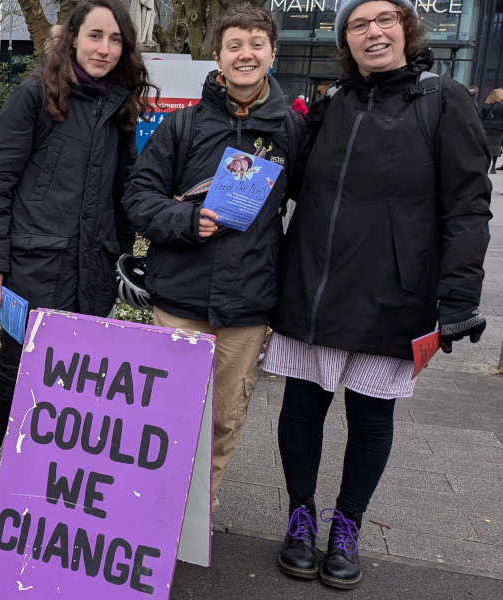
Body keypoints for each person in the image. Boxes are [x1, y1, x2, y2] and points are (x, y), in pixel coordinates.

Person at [266, 0, 492, 589]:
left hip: (395, 286)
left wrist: (460, 293)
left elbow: (468, 204)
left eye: (384, 20)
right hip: (315, 281)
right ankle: (299, 516)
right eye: (358, 24)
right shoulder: (331, 104)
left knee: (371, 415)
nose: (373, 32)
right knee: (302, 407)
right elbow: (283, 181)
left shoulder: (444, 100)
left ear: (405, 28)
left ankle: (347, 525)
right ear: (346, 39)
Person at [0, 0, 157, 524]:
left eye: (115, 40)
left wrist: (122, 253)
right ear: (72, 38)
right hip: (33, 265)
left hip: (92, 267)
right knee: (13, 374)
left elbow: (123, 191)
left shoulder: (120, 105)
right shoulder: (36, 96)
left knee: (76, 384)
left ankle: (51, 481)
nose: (104, 49)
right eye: (96, 36)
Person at [123, 3, 307, 512]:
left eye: (255, 45)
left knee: (225, 416)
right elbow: (139, 196)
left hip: (246, 307)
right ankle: (150, 506)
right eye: (234, 46)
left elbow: (314, 208)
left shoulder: (290, 132)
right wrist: (186, 222)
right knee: (165, 415)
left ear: (272, 52)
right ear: (218, 55)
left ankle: (198, 508)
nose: (245, 54)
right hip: (180, 297)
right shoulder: (181, 127)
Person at [481, 88, 503, 172]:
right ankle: (493, 167)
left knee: (487, 148)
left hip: (487, 128)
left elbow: (482, 116)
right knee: (496, 148)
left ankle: (486, 167)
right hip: (499, 129)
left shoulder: (487, 104)